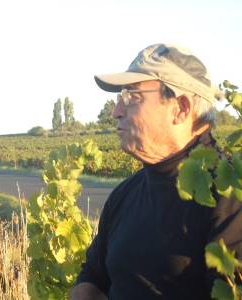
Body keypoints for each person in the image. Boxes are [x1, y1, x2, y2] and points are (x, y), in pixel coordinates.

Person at [71, 44, 242, 299]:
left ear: (181, 108)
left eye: (132, 97)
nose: (116, 112)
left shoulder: (230, 197)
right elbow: (92, 278)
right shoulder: (125, 194)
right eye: (119, 99)